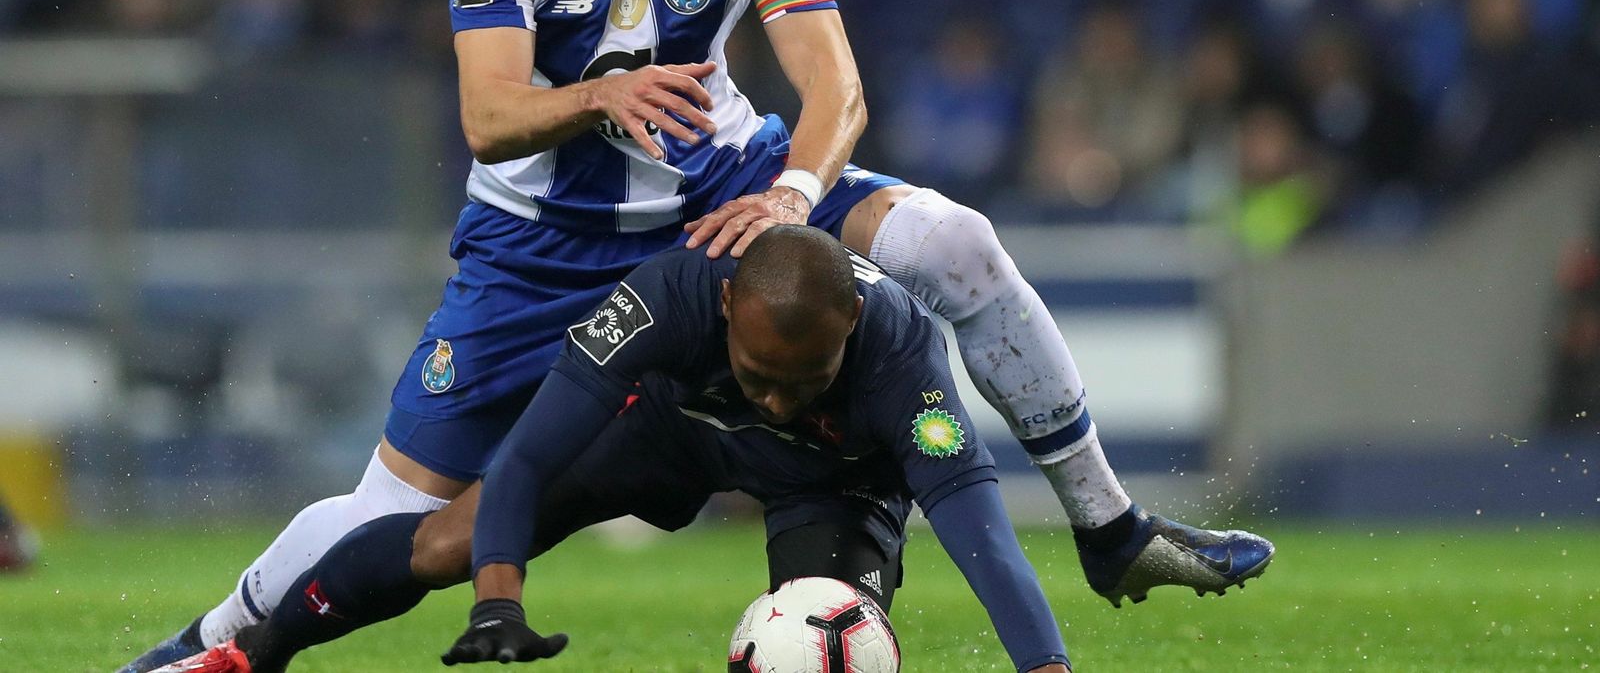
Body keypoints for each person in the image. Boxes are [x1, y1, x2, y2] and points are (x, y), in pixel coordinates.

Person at [124, 0, 1272, 668]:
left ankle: (1109, 529)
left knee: (955, 244)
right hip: (537, 253)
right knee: (406, 521)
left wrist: (789, 197)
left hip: (724, 197)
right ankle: (211, 644)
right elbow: (486, 117)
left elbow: (838, 93)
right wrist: (600, 93)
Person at [151, 228, 1081, 672]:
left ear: (851, 324)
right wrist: (496, 601)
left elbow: (984, 538)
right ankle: (249, 655)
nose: (775, 395)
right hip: (667, 435)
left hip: (828, 485)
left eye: (804, 380)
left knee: (821, 635)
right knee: (443, 541)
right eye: (758, 371)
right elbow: (522, 461)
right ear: (725, 312)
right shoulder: (667, 296)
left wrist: (1046, 670)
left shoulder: (906, 357)